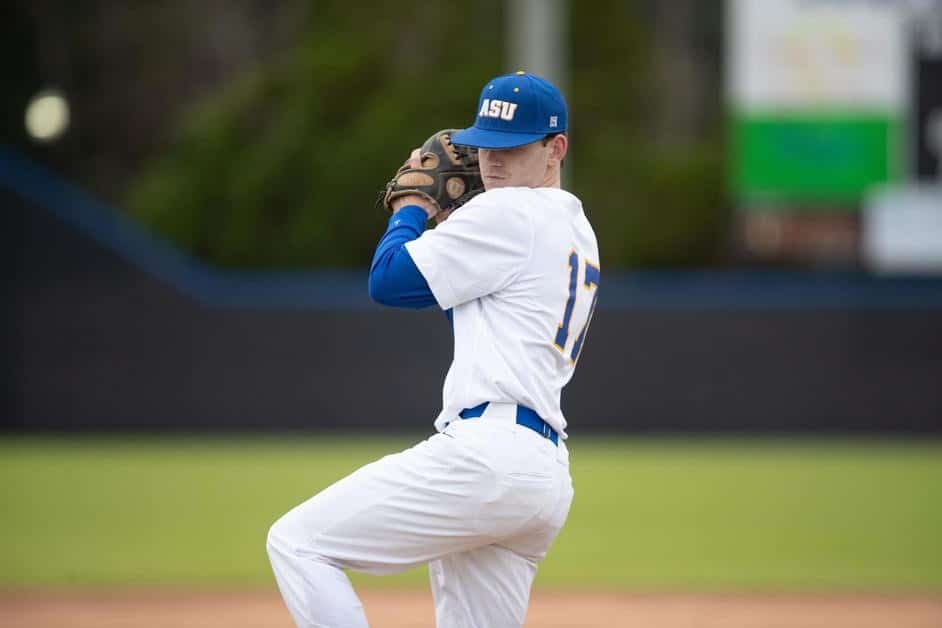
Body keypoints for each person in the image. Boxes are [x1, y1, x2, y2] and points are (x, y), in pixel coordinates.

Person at [267, 71, 600, 628]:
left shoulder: (509, 212)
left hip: (487, 456)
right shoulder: (575, 228)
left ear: (555, 149)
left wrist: (413, 207)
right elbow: (465, 300)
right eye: (484, 146)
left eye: (511, 148)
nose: (491, 162)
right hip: (541, 475)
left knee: (299, 544)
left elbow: (390, 279)